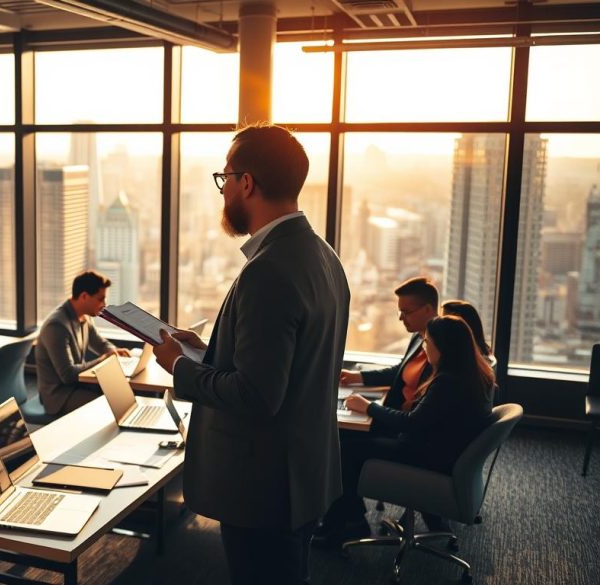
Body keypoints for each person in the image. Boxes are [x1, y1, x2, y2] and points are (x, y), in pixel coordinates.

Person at [152, 124, 350, 585]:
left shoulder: (270, 271)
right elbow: (290, 363)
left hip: (262, 486)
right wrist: (207, 351)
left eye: (225, 180)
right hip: (303, 473)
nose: (223, 193)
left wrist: (178, 366)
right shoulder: (323, 257)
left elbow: (258, 394)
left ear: (247, 183)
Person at [319, 316, 495, 546]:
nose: (424, 347)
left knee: (345, 447)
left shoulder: (448, 382)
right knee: (353, 436)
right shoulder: (473, 374)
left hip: (427, 456)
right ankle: (348, 517)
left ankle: (347, 524)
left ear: (443, 348)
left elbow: (411, 423)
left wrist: (368, 407)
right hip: (444, 450)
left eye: (427, 342)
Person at [340, 277, 440, 418]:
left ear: (428, 309)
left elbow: (414, 420)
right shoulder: (418, 337)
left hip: (402, 425)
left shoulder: (440, 352)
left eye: (407, 312)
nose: (401, 318)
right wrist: (357, 377)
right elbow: (400, 371)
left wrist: (369, 407)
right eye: (400, 312)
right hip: (396, 415)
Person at [35, 270, 131, 416]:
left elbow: (100, 343)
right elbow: (67, 375)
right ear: (84, 296)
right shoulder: (56, 326)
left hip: (77, 386)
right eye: (100, 299)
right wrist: (103, 360)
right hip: (59, 396)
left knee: (122, 394)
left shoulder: (83, 317)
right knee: (109, 406)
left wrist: (114, 351)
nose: (104, 304)